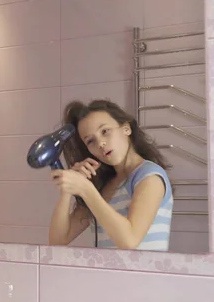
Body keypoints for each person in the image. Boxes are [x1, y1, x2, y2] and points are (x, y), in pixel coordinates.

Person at [48, 99, 173, 251]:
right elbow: (58, 240)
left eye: (105, 131)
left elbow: (130, 240)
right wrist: (67, 191)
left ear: (126, 129)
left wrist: (86, 189)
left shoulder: (149, 177)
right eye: (90, 141)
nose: (100, 143)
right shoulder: (103, 186)